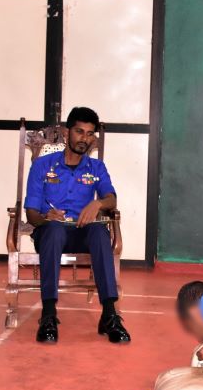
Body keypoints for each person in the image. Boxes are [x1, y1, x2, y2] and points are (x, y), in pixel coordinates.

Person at [23, 106, 131, 345]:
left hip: (81, 232)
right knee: (53, 231)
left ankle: (109, 315)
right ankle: (48, 315)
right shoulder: (42, 166)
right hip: (50, 232)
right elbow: (31, 214)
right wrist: (46, 217)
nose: (85, 139)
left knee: (99, 232)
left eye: (90, 134)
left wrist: (98, 203)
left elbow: (111, 199)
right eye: (80, 132)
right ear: (66, 132)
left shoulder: (96, 168)